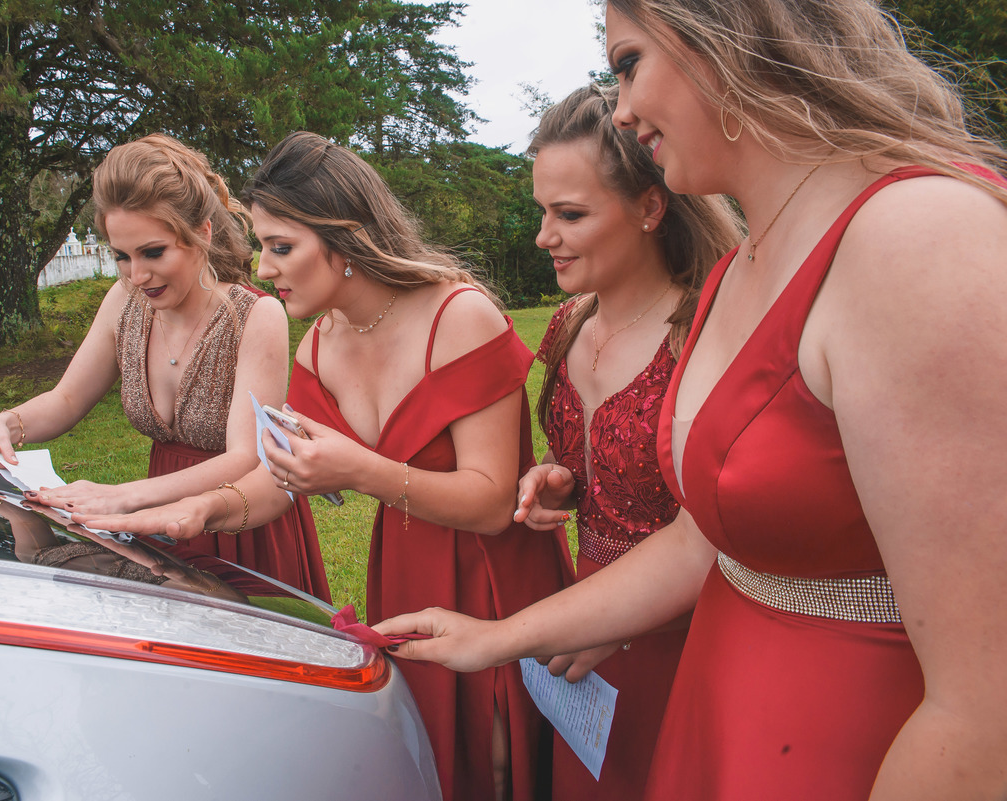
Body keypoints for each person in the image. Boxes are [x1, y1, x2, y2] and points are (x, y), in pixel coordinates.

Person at [375, 2, 1007, 800]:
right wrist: (498, 637)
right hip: (718, 719)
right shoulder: (734, 274)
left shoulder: (918, 235)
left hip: (845, 746)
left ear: (727, 34)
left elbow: (986, 708)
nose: (626, 107)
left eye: (629, 62)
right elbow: (698, 543)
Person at [76, 131, 575, 801]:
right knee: (424, 760)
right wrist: (207, 509)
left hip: (494, 576)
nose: (264, 266)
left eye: (281, 246)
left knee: (499, 766)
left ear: (343, 241)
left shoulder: (460, 315)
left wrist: (360, 470)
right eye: (261, 245)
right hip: (402, 574)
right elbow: (275, 482)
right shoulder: (319, 348)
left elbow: (489, 501)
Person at [0, 133, 330, 600]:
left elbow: (245, 457)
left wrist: (125, 495)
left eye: (153, 253)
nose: (137, 275)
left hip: (238, 520)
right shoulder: (123, 302)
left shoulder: (255, 316)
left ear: (202, 232)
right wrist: (8, 423)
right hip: (155, 523)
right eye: (122, 256)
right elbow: (67, 398)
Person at [517, 83, 740, 801]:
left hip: (687, 636)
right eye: (541, 212)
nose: (544, 236)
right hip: (583, 620)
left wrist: (617, 624)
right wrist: (559, 478)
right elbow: (601, 464)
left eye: (570, 214)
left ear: (650, 207)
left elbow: (730, 523)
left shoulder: (702, 333)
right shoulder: (567, 325)